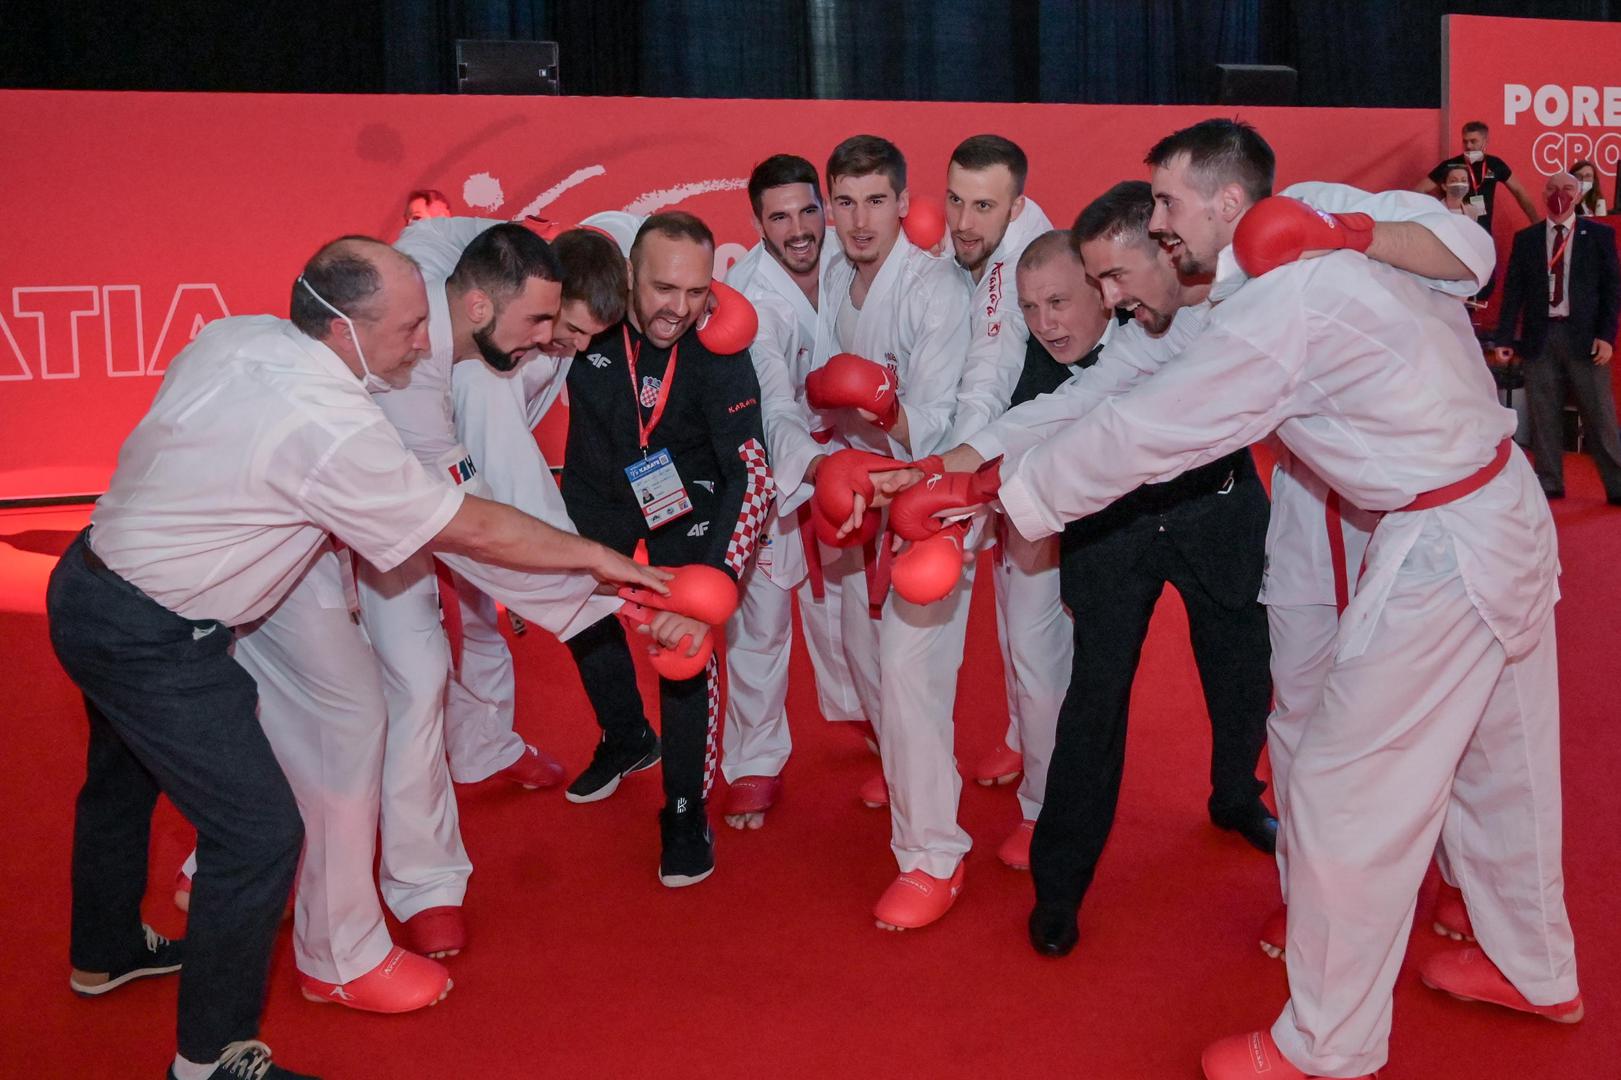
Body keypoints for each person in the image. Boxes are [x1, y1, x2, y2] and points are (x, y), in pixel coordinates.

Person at [963, 117, 1577, 1080]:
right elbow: (1113, 404)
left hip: (1450, 544)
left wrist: (1349, 235)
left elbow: (1465, 249)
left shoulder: (1296, 272)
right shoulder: (1242, 285)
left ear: (1225, 199)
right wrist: (974, 473)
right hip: (1486, 514)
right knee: (1506, 762)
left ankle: (1327, 1047)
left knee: (1340, 790)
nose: (1156, 223)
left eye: (1166, 202)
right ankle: (1533, 969)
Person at [46, 235, 664, 1080]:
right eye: (409, 329)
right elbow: (471, 527)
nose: (424, 344)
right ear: (343, 329)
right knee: (259, 835)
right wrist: (598, 562)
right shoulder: (331, 425)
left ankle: (105, 948)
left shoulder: (238, 335)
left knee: (124, 778)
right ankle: (210, 1060)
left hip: (89, 581)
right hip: (155, 637)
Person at [953, 187, 1276, 955]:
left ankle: (1237, 793)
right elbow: (1029, 424)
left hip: (1215, 514)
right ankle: (1058, 886)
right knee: (1092, 705)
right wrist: (947, 469)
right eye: (1031, 308)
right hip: (1110, 538)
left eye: (1066, 298)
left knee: (1243, 677)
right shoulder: (1042, 367)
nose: (1048, 321)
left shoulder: (1197, 321)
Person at [560, 211, 773, 886]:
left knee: (684, 646)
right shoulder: (589, 322)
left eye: (695, 291)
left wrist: (716, 582)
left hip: (689, 497)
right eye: (662, 288)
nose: (679, 308)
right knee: (578, 615)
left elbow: (751, 474)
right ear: (629, 276)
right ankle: (626, 735)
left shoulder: (720, 349)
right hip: (597, 487)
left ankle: (684, 808)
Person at [812, 134, 975, 930]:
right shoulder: (832, 276)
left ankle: (932, 855)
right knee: (858, 644)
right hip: (859, 489)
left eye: (875, 201)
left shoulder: (934, 289)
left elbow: (939, 424)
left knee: (911, 668)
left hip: (930, 495)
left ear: (903, 203)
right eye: (844, 202)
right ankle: (903, 764)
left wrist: (882, 405)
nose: (859, 220)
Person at [719, 153, 866, 830]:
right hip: (775, 459)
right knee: (762, 615)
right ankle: (754, 759)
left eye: (809, 210)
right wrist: (811, 468)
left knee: (856, 603)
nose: (799, 228)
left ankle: (868, 714)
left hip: (857, 447)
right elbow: (773, 403)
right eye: (780, 217)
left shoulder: (852, 257)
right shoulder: (749, 294)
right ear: (757, 223)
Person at [936, 134, 1067, 869]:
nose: (963, 220)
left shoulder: (1026, 266)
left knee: (1036, 640)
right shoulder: (970, 245)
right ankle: (1021, 739)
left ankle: (1048, 808)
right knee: (1010, 617)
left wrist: (953, 466)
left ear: (1016, 206)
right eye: (955, 200)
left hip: (1044, 473)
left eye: (982, 206)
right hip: (999, 466)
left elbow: (989, 370)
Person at [1490, 170, 1621, 504]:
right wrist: (1505, 338)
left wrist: (1607, 336)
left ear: (1578, 195)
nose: (1558, 194)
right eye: (1552, 188)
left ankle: (1618, 484)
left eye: (1566, 188)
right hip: (1540, 337)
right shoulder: (1527, 239)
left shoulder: (1599, 236)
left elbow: (1612, 291)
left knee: (1600, 416)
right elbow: (1514, 292)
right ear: (1543, 193)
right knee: (1543, 414)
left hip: (1586, 339)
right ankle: (1549, 481)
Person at [1418, 120, 1539, 235]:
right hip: (1454, 231)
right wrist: (1432, 214)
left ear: (1485, 141)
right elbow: (1419, 190)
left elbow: (1519, 191)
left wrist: (1537, 223)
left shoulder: (1495, 164)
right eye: (1465, 141)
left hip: (1484, 232)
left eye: (1473, 141)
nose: (1468, 146)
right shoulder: (1451, 165)